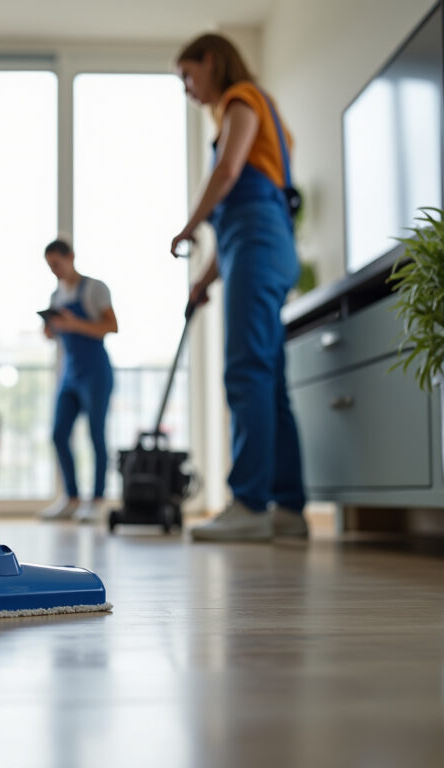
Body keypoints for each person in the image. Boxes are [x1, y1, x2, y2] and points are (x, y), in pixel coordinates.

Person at [170, 33, 307, 542]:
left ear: (211, 59)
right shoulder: (252, 110)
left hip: (258, 244)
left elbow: (228, 174)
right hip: (262, 247)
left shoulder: (242, 99)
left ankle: (250, 503)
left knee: (246, 371)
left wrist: (189, 226)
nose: (187, 88)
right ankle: (288, 512)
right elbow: (238, 223)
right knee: (269, 382)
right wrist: (204, 281)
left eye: (187, 74)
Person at [39, 240, 118, 523]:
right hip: (69, 374)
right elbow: (51, 335)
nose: (55, 271)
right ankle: (71, 498)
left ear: (70, 257)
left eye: (57, 264)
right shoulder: (56, 296)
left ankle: (96, 500)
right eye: (50, 267)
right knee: (58, 434)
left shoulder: (95, 289)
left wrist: (74, 324)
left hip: (96, 372)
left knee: (96, 435)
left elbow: (112, 326)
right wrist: (52, 328)